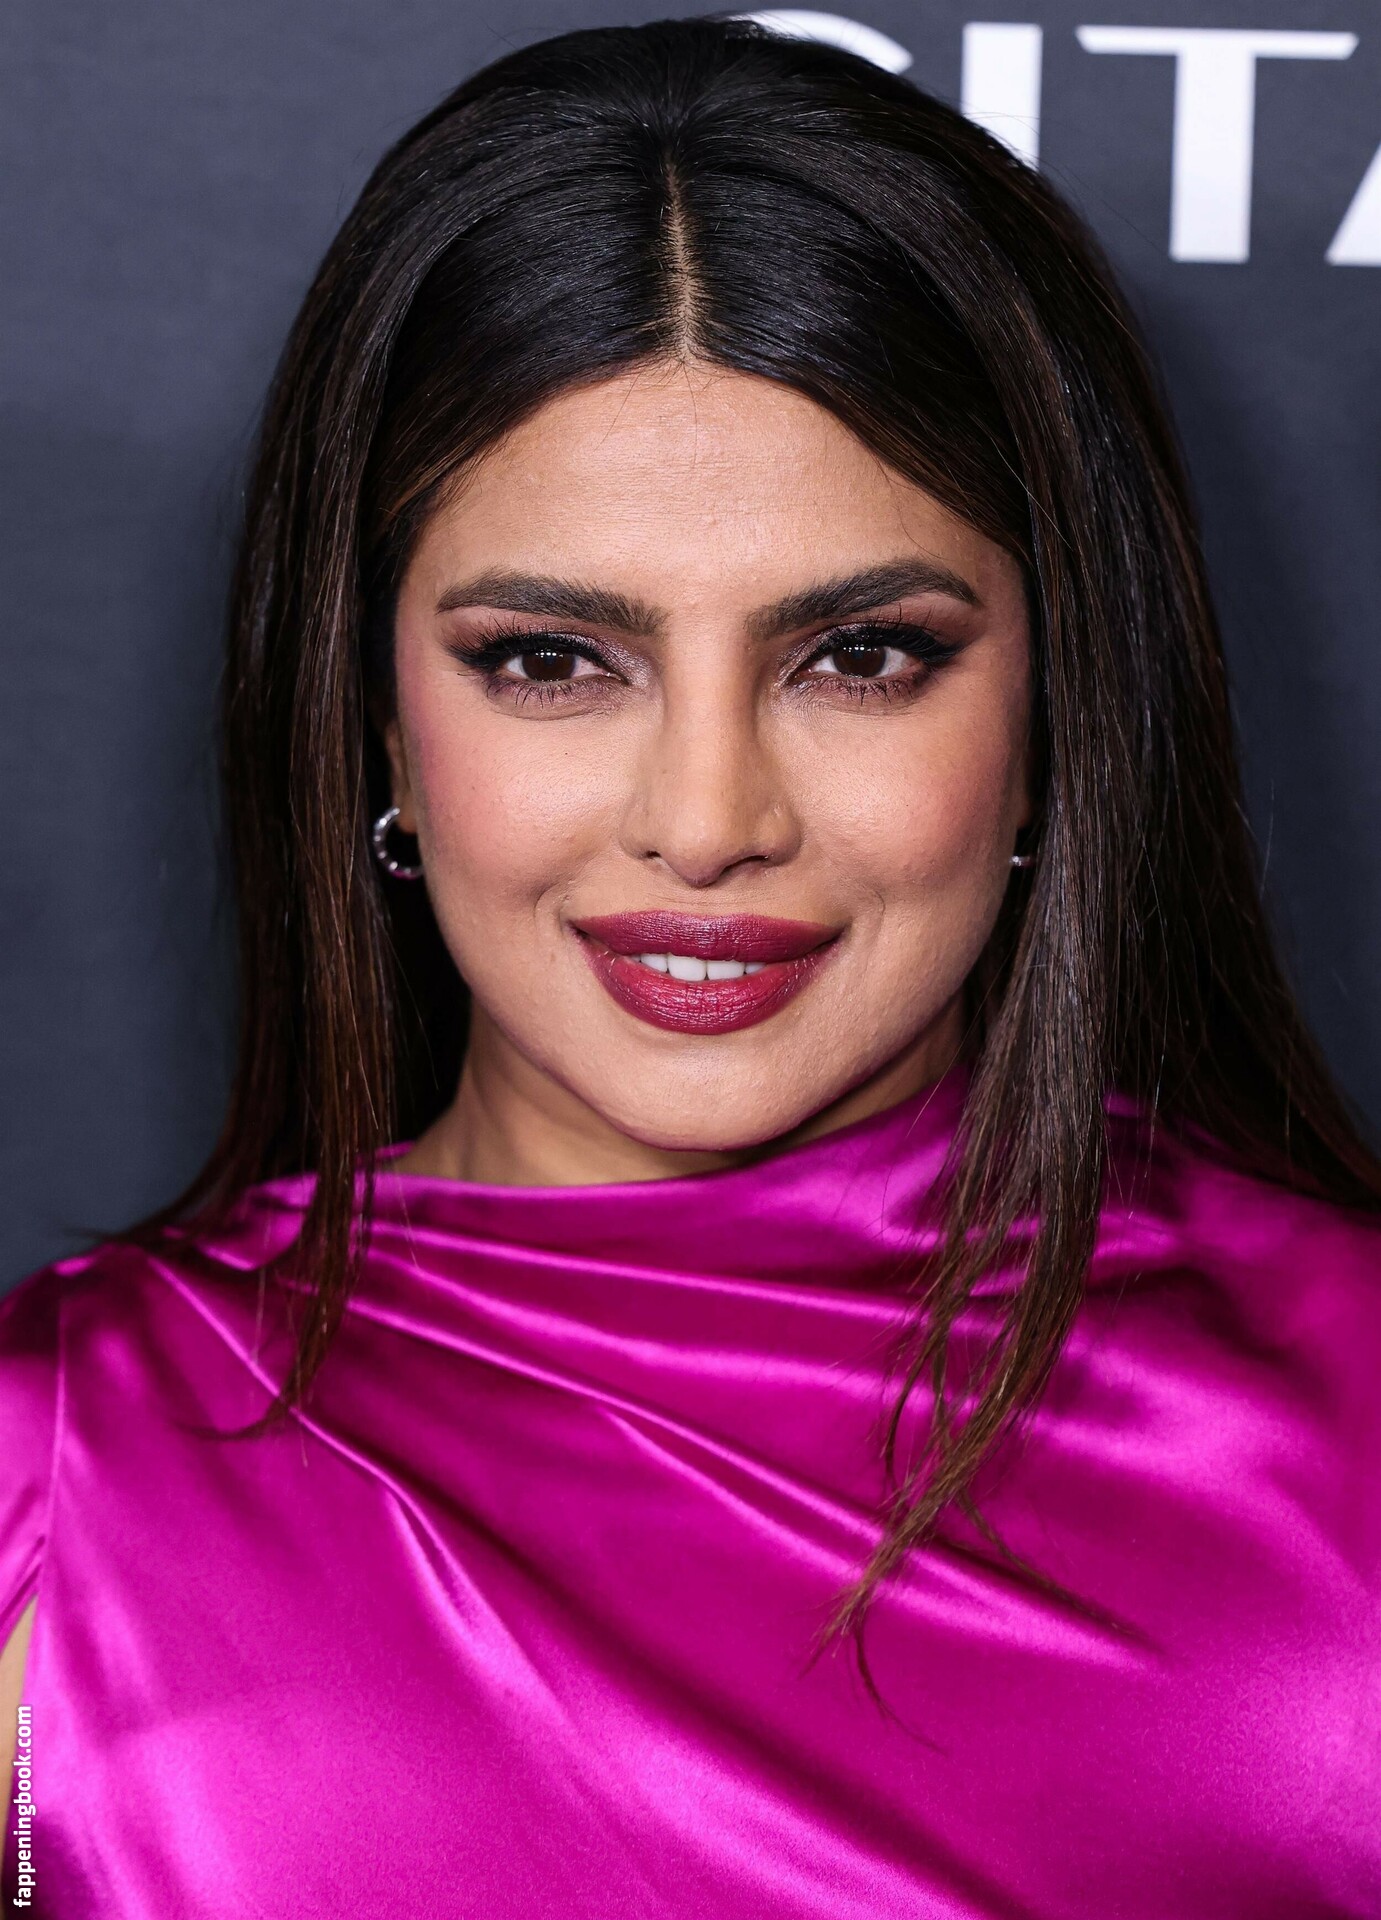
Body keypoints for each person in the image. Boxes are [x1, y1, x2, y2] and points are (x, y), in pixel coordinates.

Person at [2, 16, 1378, 1916]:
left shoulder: (1353, 1423)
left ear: (1055, 709)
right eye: (550, 661)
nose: (708, 819)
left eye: (862, 658)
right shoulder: (59, 1464)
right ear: (378, 712)